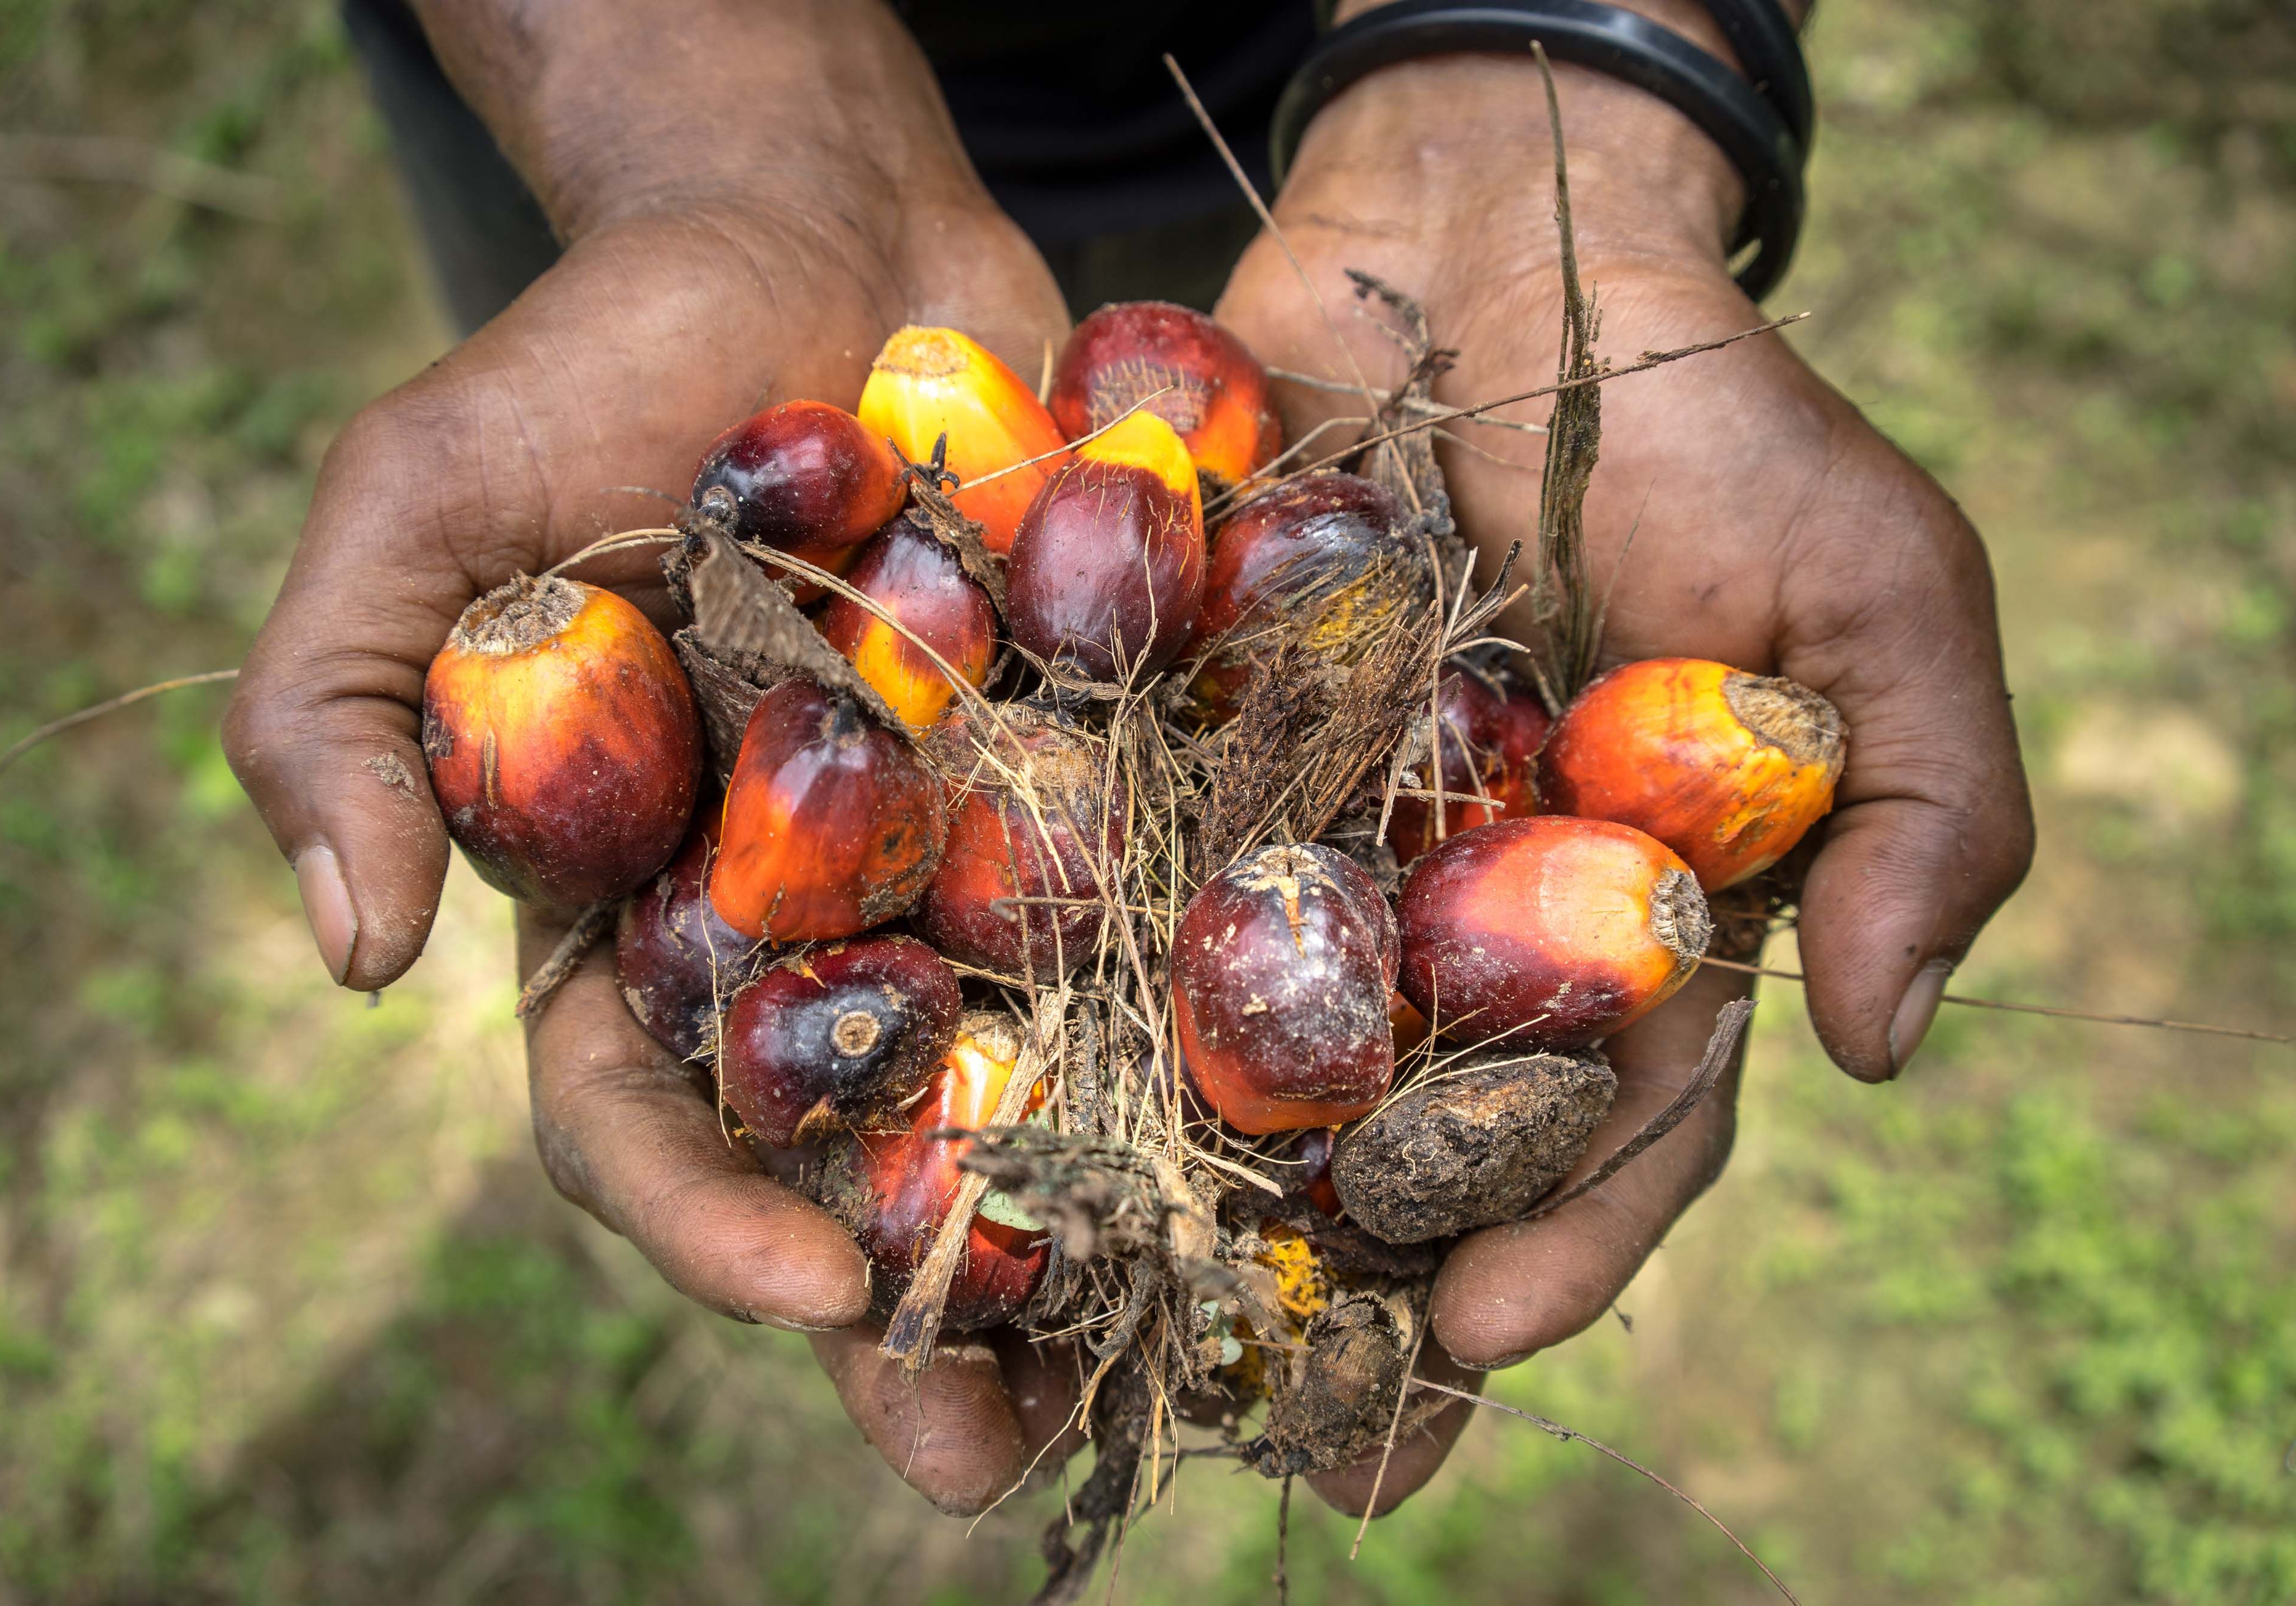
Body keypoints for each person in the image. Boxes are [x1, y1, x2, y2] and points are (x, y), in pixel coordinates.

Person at [222, 0, 2033, 1519]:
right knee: (1036, 489)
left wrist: (1537, 64)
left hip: (1292, 91)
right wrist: (718, 115)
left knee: (1189, 435)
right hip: (651, 66)